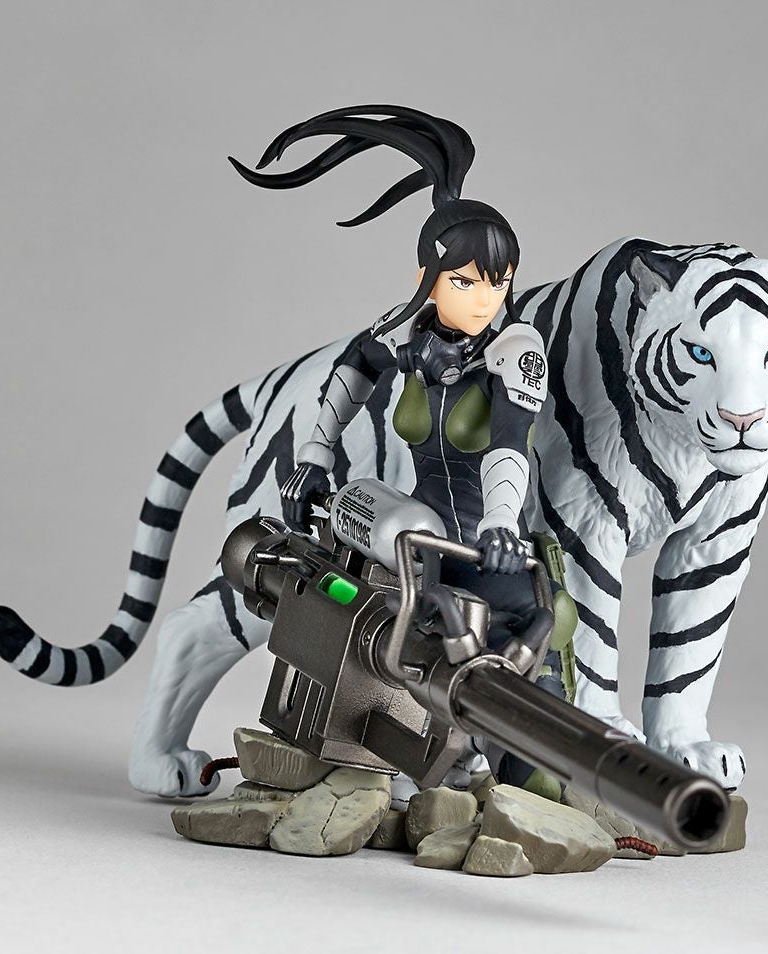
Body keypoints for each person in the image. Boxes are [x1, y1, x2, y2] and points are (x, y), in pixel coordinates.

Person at [231, 106, 563, 796]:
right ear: (429, 275)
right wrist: (315, 456)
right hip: (418, 540)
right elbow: (354, 365)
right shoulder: (409, 331)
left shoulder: (515, 349)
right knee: (380, 630)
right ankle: (399, 758)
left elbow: (509, 443)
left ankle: (517, 785)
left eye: (498, 282)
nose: (484, 299)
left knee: (532, 641)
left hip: (487, 545)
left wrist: (503, 524)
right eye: (466, 281)